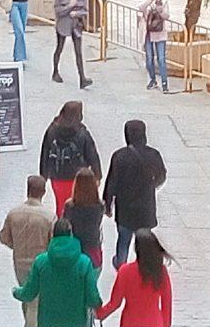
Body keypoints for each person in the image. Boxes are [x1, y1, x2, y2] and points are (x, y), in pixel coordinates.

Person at [14, 217, 103, 327]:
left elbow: (28, 294)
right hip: (77, 326)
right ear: (71, 235)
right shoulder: (84, 263)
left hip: (47, 326)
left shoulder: (41, 262)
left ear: (52, 235)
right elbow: (93, 300)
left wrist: (15, 291)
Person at [102, 118, 166, 267]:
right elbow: (162, 175)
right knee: (144, 241)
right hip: (146, 207)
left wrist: (107, 205)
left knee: (123, 240)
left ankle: (121, 264)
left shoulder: (120, 156)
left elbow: (111, 183)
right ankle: (144, 266)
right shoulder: (154, 154)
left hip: (125, 208)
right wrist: (152, 185)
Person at [0, 174, 55, 327]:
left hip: (20, 262)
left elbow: (4, 238)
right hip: (41, 263)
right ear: (43, 192)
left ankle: (29, 326)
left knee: (27, 296)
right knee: (35, 300)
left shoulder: (14, 213)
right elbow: (53, 244)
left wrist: (16, 246)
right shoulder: (49, 217)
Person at [97, 230, 175, 327]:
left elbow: (115, 303)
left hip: (130, 325)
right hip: (155, 324)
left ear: (136, 249)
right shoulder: (161, 271)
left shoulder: (125, 271)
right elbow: (167, 305)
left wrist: (100, 314)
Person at [39, 99, 99, 215]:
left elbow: (45, 153)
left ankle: (61, 222)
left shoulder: (52, 130)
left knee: (60, 203)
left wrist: (43, 175)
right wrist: (97, 174)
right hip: (77, 176)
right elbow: (92, 154)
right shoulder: (82, 133)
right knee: (78, 204)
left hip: (57, 176)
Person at [52, 0, 90, 87]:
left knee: (78, 52)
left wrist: (77, 13)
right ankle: (55, 71)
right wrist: (69, 6)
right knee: (59, 47)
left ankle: (82, 78)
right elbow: (58, 11)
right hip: (63, 23)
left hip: (76, 24)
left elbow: (85, 11)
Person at [65, 167, 106, 272]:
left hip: (75, 248)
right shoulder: (100, 206)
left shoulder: (70, 206)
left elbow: (65, 223)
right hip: (93, 247)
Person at [138, 0, 172, 93]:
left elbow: (167, 16)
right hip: (148, 33)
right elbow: (140, 8)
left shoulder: (164, 1)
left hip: (160, 33)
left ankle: (164, 83)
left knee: (161, 59)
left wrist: (160, 10)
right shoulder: (145, 2)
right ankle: (152, 79)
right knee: (149, 59)